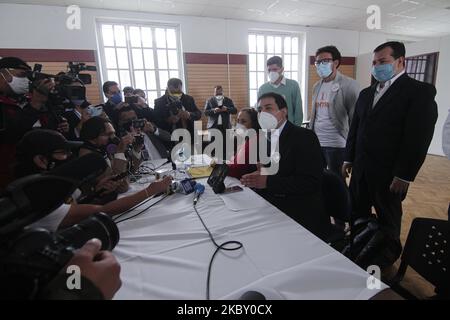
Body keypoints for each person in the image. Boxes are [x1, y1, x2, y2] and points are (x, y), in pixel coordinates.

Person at [343, 41, 438, 267]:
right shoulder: (367, 93)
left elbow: (418, 138)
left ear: (400, 61)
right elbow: (356, 127)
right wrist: (349, 157)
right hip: (361, 168)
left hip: (390, 174)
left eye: (382, 62)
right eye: (374, 63)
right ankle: (357, 248)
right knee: (357, 213)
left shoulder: (418, 92)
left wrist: (405, 175)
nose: (377, 66)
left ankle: (386, 257)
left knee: (388, 218)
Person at [241, 93, 331, 240]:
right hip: (272, 206)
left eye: (268, 108)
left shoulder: (305, 137)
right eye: (259, 110)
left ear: (283, 112)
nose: (263, 113)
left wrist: (267, 181)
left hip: (301, 214)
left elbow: (311, 183)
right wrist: (260, 175)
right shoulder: (265, 138)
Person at [0, 57, 69, 188]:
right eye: (22, 75)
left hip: (43, 170)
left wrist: (60, 126)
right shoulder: (31, 103)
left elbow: (44, 131)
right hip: (10, 177)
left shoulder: (28, 101)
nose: (26, 81)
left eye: (28, 77)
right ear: (3, 73)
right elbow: (11, 135)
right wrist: (36, 104)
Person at [310, 46, 360, 176]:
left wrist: (352, 149)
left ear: (336, 63)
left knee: (337, 180)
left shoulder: (349, 84)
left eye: (325, 61)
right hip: (317, 142)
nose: (321, 65)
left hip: (337, 144)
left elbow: (355, 118)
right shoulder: (316, 86)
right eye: (318, 62)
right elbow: (315, 114)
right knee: (317, 176)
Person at [79, 117, 141, 198]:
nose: (113, 138)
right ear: (93, 135)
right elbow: (122, 186)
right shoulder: (88, 157)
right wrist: (120, 152)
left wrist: (136, 150)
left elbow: (131, 171)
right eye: (108, 134)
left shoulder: (102, 149)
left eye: (113, 134)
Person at [258, 56, 303, 126]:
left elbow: (298, 110)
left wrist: (296, 129)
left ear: (282, 69)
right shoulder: (263, 88)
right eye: (269, 70)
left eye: (275, 69)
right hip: (269, 128)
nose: (272, 72)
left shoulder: (293, 85)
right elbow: (260, 112)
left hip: (288, 128)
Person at [228, 108, 260, 179]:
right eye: (238, 121)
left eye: (243, 121)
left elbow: (236, 170)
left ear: (254, 123)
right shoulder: (247, 138)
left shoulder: (254, 139)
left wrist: (219, 167)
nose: (239, 125)